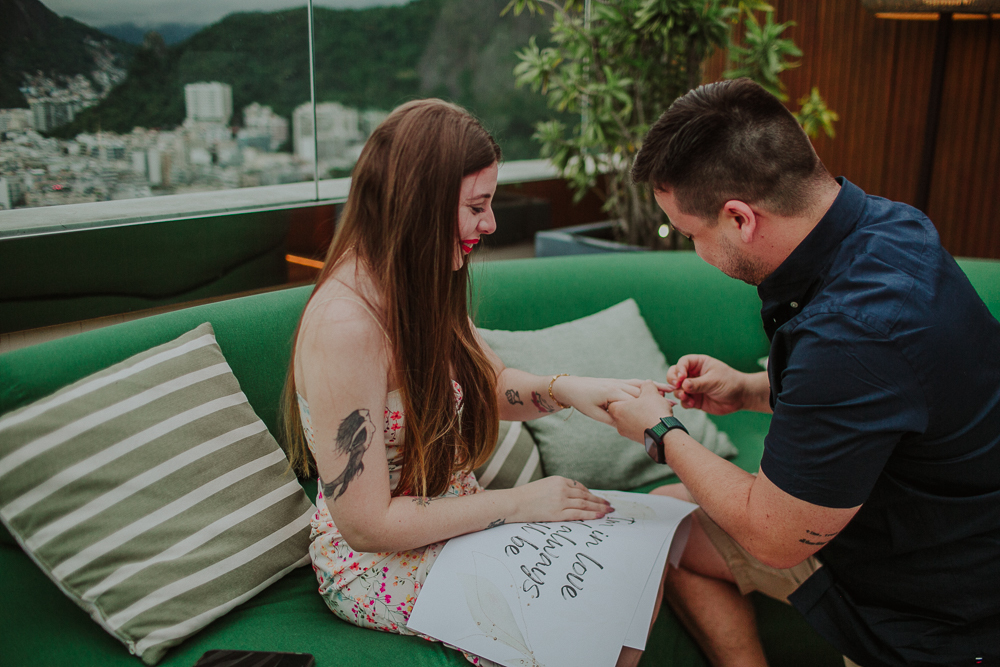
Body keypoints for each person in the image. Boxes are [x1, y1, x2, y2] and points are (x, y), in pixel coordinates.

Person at [607, 78, 1000, 667]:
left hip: (932, 610)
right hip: (884, 517)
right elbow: (884, 400)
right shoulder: (891, 226)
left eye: (689, 234)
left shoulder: (853, 333)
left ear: (740, 218)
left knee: (687, 500)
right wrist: (747, 389)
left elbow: (774, 537)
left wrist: (662, 432)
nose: (693, 252)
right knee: (668, 519)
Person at [281, 99, 668, 667]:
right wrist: (519, 504)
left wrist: (567, 389)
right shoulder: (345, 328)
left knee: (636, 575)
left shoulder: (423, 277)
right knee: (589, 621)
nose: (490, 225)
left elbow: (488, 385)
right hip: (379, 559)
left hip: (461, 522)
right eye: (476, 207)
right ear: (420, 205)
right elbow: (366, 526)